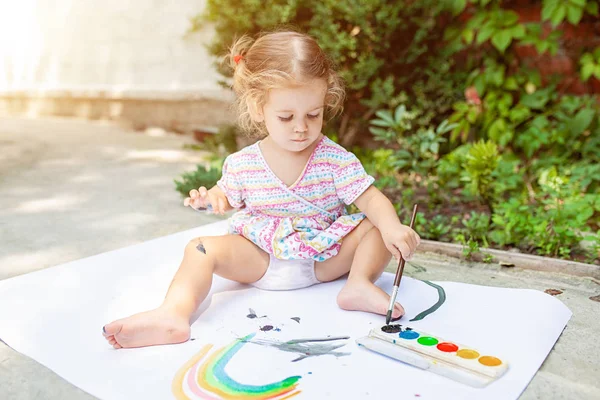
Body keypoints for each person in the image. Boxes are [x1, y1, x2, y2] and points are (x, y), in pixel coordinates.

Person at [102, 30, 420, 349]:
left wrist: (392, 227)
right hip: (261, 259)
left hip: (325, 259)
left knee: (376, 226)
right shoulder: (244, 163)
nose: (301, 127)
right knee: (199, 248)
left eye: (314, 114)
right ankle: (172, 314)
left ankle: (358, 285)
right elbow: (224, 196)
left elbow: (371, 199)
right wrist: (211, 199)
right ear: (258, 109)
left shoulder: (335, 159)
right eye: (286, 117)